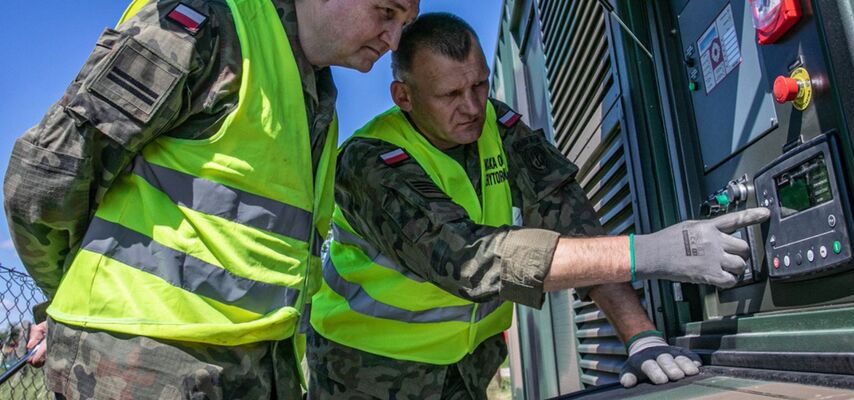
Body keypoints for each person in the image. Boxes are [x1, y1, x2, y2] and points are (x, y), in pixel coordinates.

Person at [306, 13, 770, 399]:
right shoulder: (370, 161)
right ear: (403, 97)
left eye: (480, 85)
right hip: (366, 372)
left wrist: (641, 336)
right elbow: (466, 259)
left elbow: (573, 223)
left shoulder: (497, 125)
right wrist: (652, 252)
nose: (472, 107)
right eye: (450, 95)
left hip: (468, 367)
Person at [2, 0, 418, 398]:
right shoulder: (209, 25)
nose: (395, 39)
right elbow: (45, 178)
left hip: (258, 367)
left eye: (406, 21)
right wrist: (64, 299)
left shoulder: (311, 85)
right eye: (386, 12)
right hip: (143, 369)